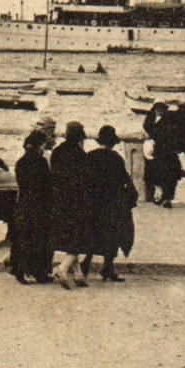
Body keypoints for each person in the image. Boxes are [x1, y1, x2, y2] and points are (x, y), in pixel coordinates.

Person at [83, 125, 138, 282]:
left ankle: (86, 263)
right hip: (112, 202)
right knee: (112, 234)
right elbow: (124, 179)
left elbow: (84, 178)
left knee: (94, 233)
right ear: (113, 142)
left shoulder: (90, 156)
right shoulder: (115, 158)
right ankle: (108, 267)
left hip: (94, 201)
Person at [49, 122, 93, 289]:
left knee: (70, 237)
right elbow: (86, 180)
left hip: (59, 200)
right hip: (76, 201)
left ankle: (78, 274)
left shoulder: (57, 152)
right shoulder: (80, 155)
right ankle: (62, 269)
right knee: (78, 238)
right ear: (80, 137)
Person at [10, 131, 54, 284]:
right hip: (39, 204)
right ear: (39, 145)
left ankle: (20, 270)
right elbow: (46, 184)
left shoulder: (20, 162)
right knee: (39, 238)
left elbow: (22, 184)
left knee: (24, 237)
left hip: (24, 202)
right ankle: (40, 272)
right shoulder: (41, 162)